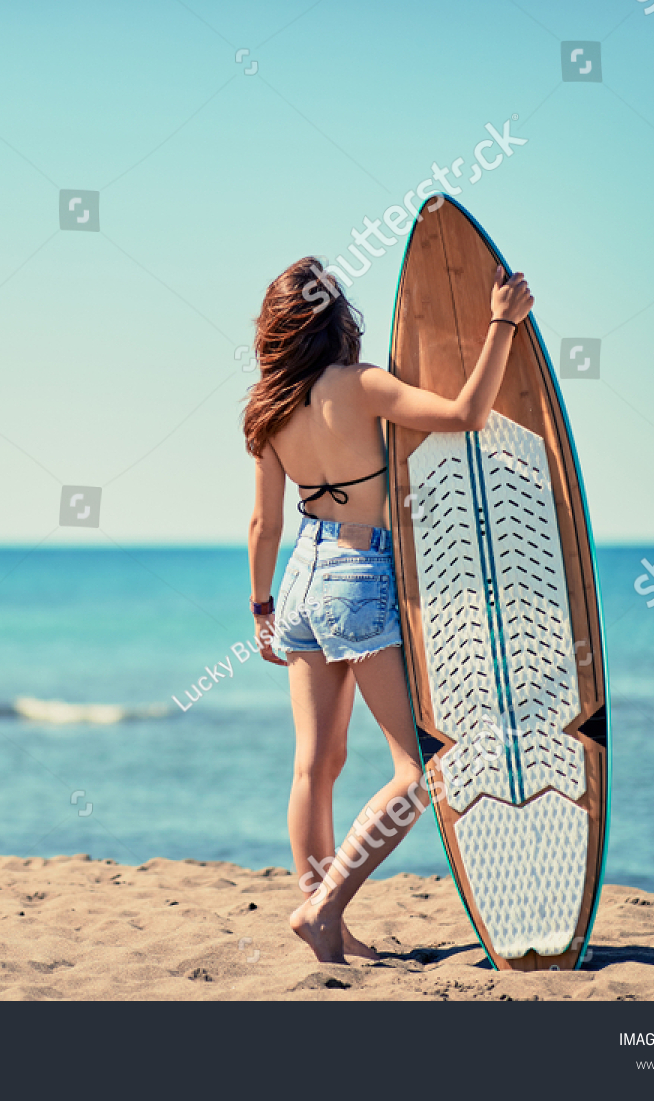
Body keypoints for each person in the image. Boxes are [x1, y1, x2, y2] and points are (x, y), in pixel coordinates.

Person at [243, 257, 533, 963]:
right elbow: (466, 414)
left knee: (315, 764)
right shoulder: (361, 385)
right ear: (336, 319)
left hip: (300, 577)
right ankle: (325, 908)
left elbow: (264, 525)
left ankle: (327, 924)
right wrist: (502, 323)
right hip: (359, 571)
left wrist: (261, 607)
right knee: (420, 768)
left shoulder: (269, 408)